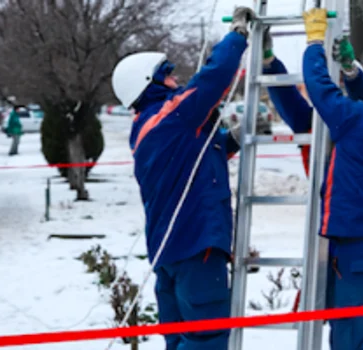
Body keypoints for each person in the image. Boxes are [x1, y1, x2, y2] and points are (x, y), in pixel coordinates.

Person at [265, 9, 363, 349]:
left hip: (358, 249)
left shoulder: (353, 121)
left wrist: (313, 43)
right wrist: (353, 74)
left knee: (355, 339)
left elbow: (319, 90)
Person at [110, 6, 258, 350]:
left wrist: (231, 141)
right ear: (151, 85)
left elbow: (192, 157)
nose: (175, 81)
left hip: (171, 255)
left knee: (179, 341)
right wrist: (237, 36)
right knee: (206, 339)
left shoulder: (146, 127)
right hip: (197, 249)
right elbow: (214, 77)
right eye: (168, 76)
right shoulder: (172, 115)